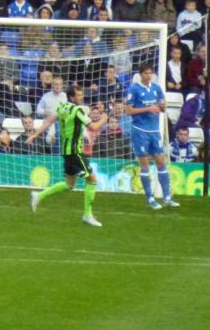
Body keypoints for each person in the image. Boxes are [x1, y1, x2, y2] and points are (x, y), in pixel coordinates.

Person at [30, 84, 107, 227]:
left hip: (66, 151)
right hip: (75, 152)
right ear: (72, 96)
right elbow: (94, 127)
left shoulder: (62, 107)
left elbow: (49, 121)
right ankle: (87, 215)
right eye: (79, 95)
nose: (81, 96)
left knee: (69, 184)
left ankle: (38, 195)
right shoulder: (77, 111)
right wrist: (103, 118)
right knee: (92, 179)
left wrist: (35, 134)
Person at [125, 63, 179, 210]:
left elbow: (162, 108)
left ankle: (167, 197)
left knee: (161, 162)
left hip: (154, 131)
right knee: (145, 165)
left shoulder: (156, 88)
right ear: (141, 74)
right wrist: (149, 108)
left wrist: (162, 105)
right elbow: (129, 110)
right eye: (146, 73)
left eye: (150, 73)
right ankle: (150, 199)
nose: (148, 76)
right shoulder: (134, 89)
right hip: (140, 130)